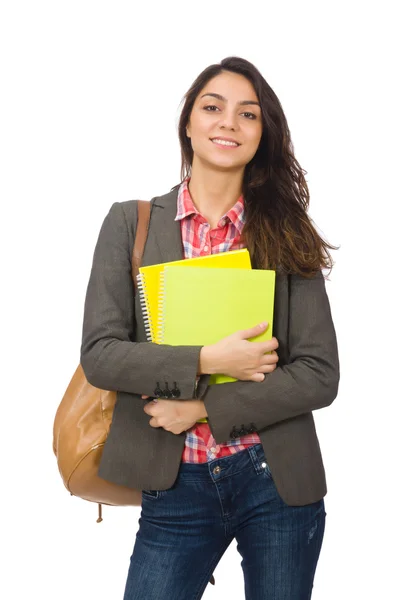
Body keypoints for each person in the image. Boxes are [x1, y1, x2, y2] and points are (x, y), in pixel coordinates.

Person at [80, 56, 339, 600]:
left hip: (276, 479)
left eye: (248, 114)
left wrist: (203, 408)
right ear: (189, 125)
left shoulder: (287, 234)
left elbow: (319, 374)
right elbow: (101, 354)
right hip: (174, 483)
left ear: (261, 135)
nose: (228, 123)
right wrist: (206, 360)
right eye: (213, 107)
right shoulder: (131, 222)